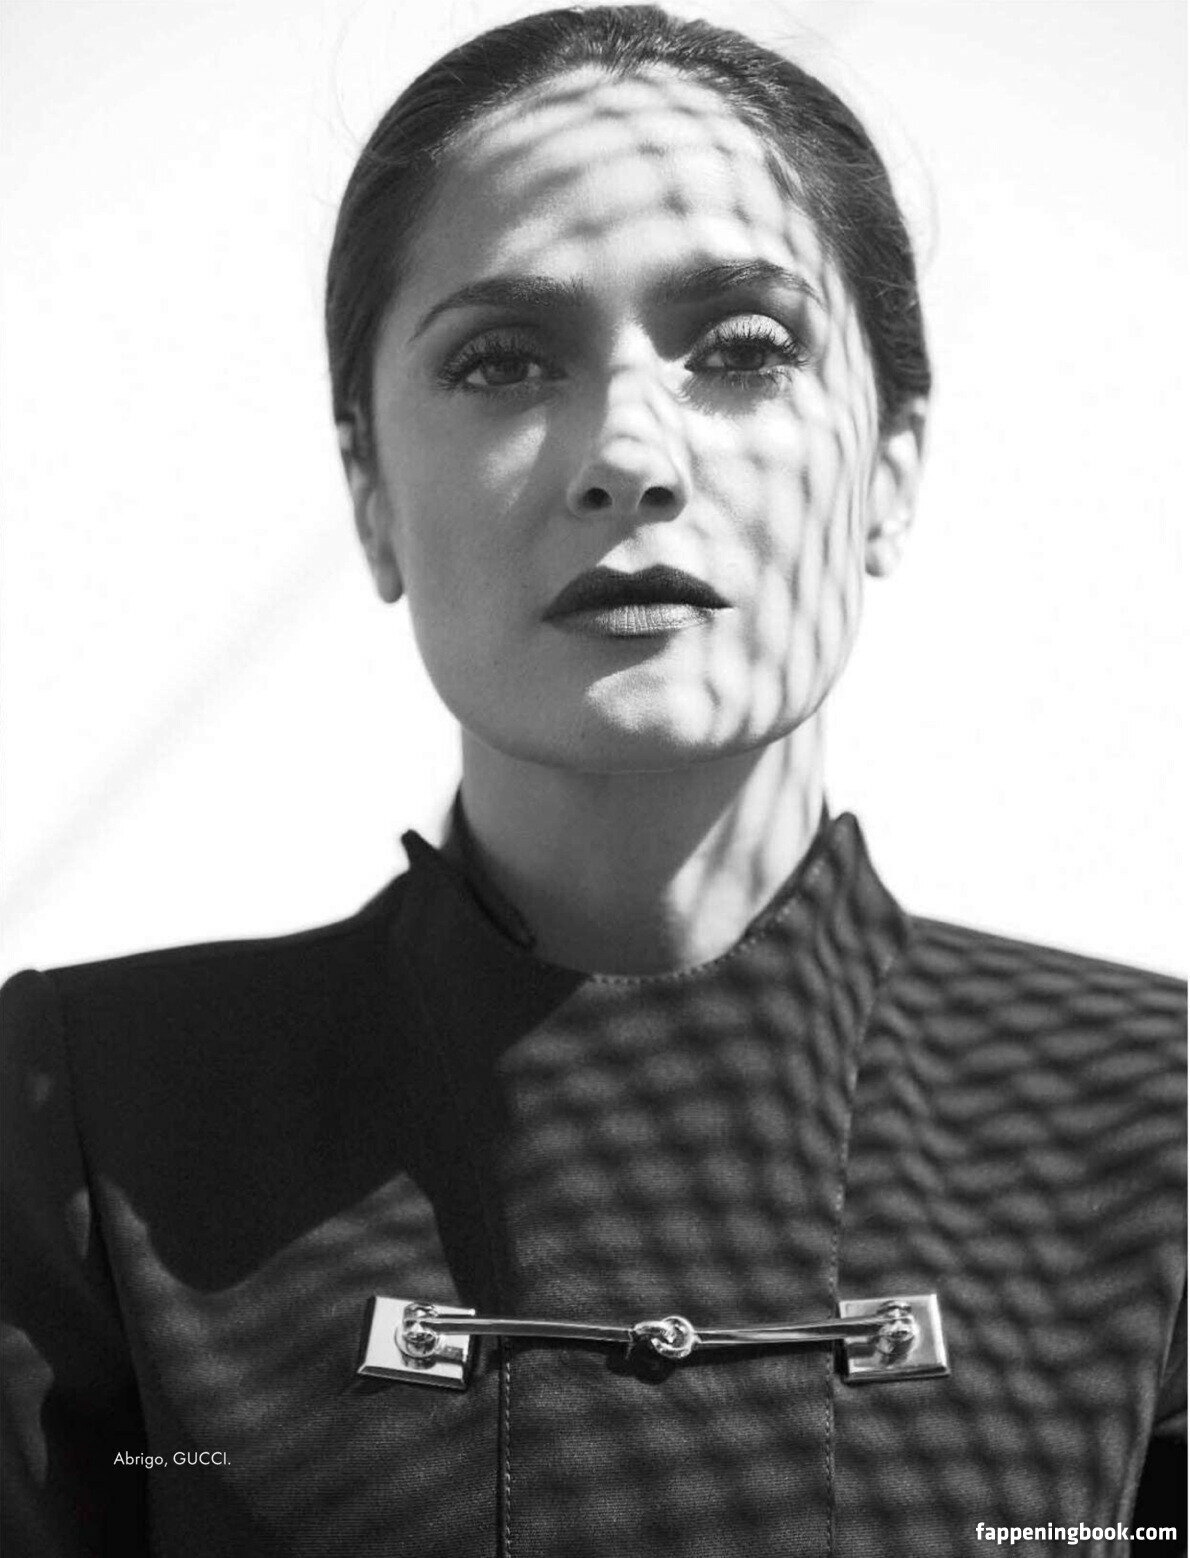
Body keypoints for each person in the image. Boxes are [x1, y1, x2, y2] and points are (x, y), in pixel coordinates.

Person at [2, 6, 1183, 1555]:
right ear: (368, 491)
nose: (629, 454)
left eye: (744, 350)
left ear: (889, 464)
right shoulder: (92, 1124)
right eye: (501, 360)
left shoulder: (1150, 1124)